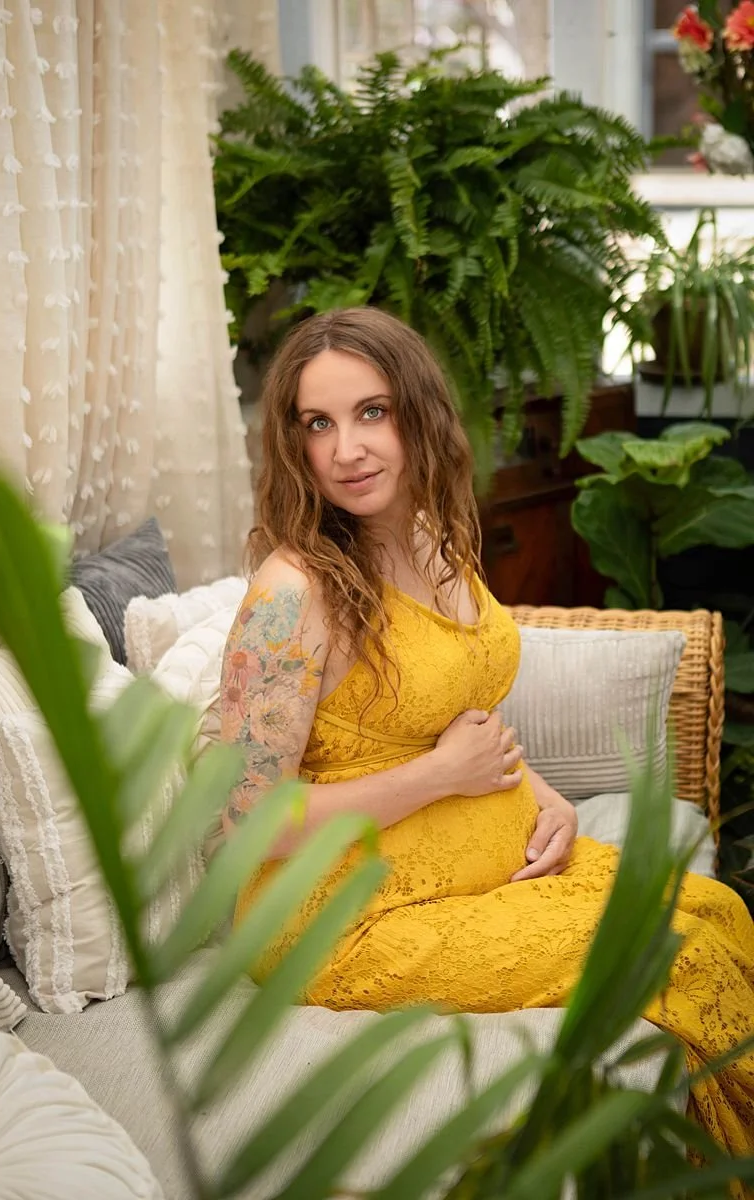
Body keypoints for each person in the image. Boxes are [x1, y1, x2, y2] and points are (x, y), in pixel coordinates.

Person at [218, 307, 754, 1160]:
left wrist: (547, 801)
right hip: (344, 919)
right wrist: (436, 779)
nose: (347, 449)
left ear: (420, 415)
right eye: (318, 424)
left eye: (372, 412)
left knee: (719, 909)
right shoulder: (294, 590)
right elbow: (240, 822)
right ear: (295, 446)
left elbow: (457, 716)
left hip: (484, 868)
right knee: (676, 958)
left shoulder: (433, 537)